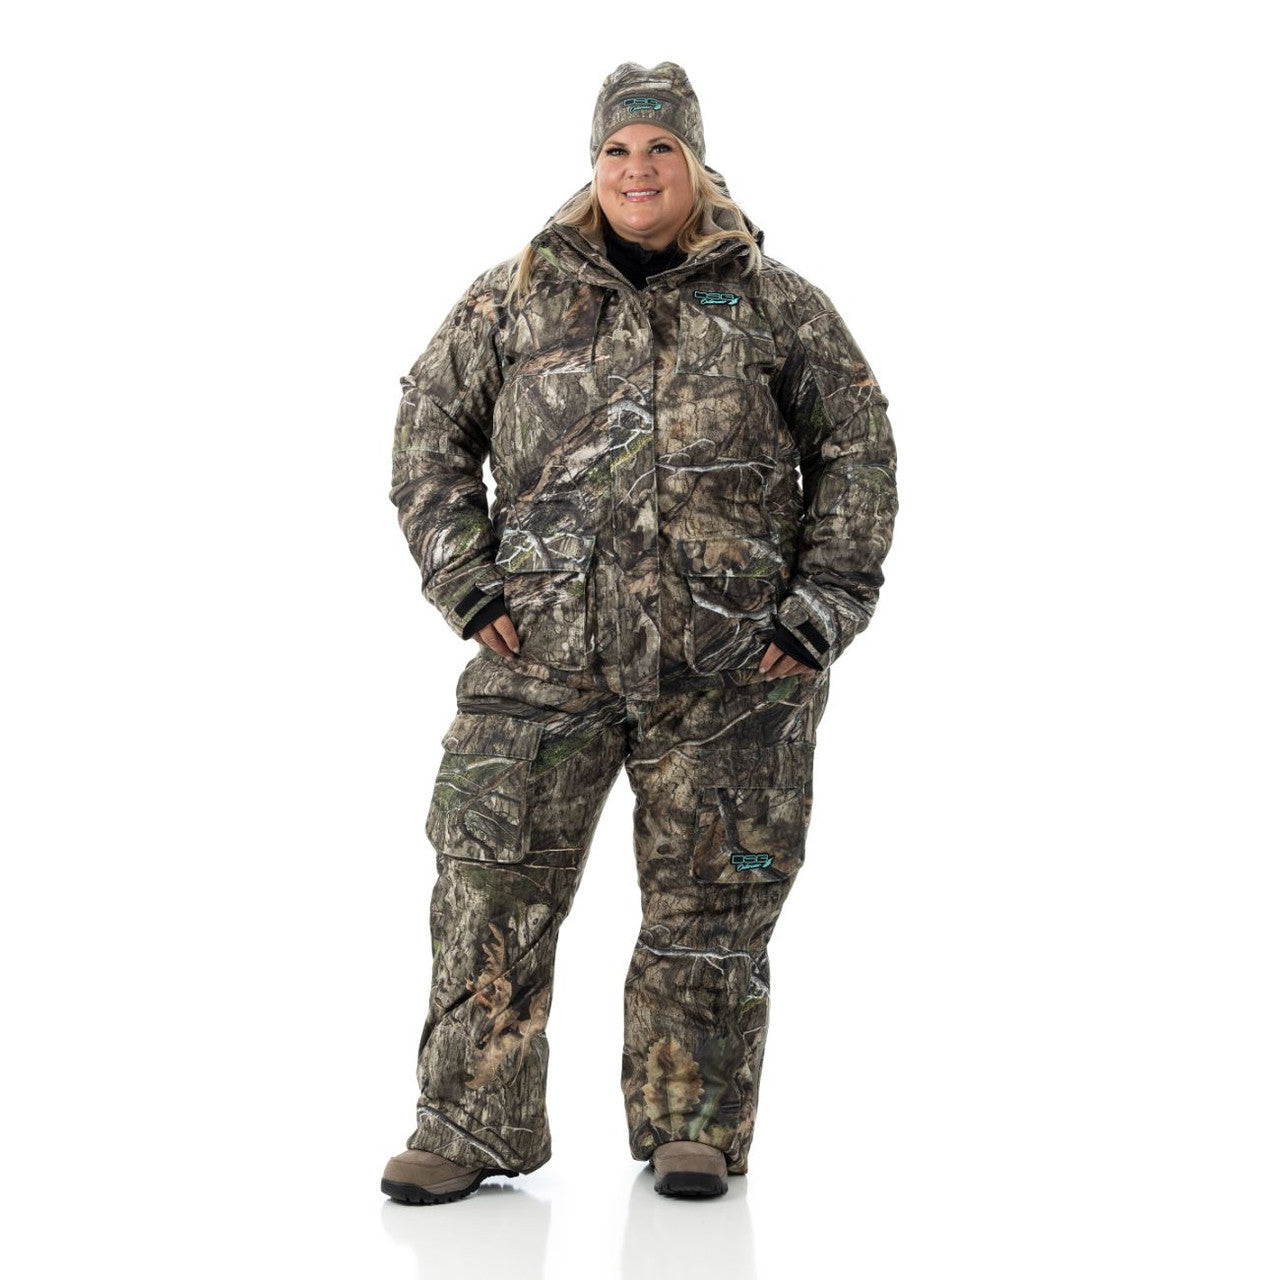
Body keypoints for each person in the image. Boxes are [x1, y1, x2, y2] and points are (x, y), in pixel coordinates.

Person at [381, 61, 898, 1204]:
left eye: (660, 147)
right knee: (489, 886)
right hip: (540, 662)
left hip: (731, 670)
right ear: (592, 163)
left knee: (709, 905)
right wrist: (468, 585)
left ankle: (689, 1121)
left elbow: (856, 450)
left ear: (695, 162)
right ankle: (466, 1122)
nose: (637, 169)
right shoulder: (513, 296)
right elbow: (427, 432)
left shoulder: (775, 302)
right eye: (617, 150)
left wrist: (818, 608)